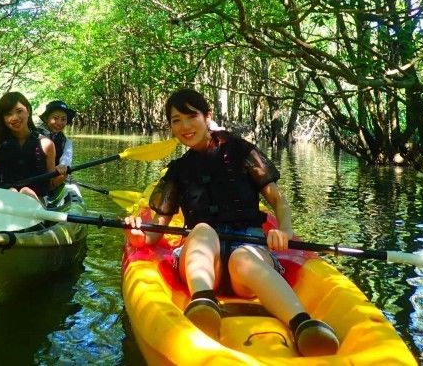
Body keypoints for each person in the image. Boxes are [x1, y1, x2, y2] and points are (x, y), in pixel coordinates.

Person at [124, 88, 339, 357]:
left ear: (207, 116)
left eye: (191, 116)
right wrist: (138, 236)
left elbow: (279, 201)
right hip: (203, 264)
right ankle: (203, 303)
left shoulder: (241, 151)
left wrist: (285, 231)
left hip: (247, 253)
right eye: (176, 120)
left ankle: (303, 325)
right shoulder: (178, 170)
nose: (184, 126)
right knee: (202, 229)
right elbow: (157, 230)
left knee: (241, 257)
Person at [0, 91, 67, 202]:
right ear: (2, 118)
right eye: (8, 114)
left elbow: (49, 185)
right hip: (2, 201)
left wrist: (61, 175)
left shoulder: (47, 145)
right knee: (11, 191)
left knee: (26, 191)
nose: (14, 117)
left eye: (19, 111)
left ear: (28, 111)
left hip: (35, 203)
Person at [37, 100, 76, 171]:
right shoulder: (34, 134)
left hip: (53, 177)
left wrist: (63, 165)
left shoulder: (66, 142)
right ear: (46, 119)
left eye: (63, 119)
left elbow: (66, 159)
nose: (59, 123)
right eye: (55, 118)